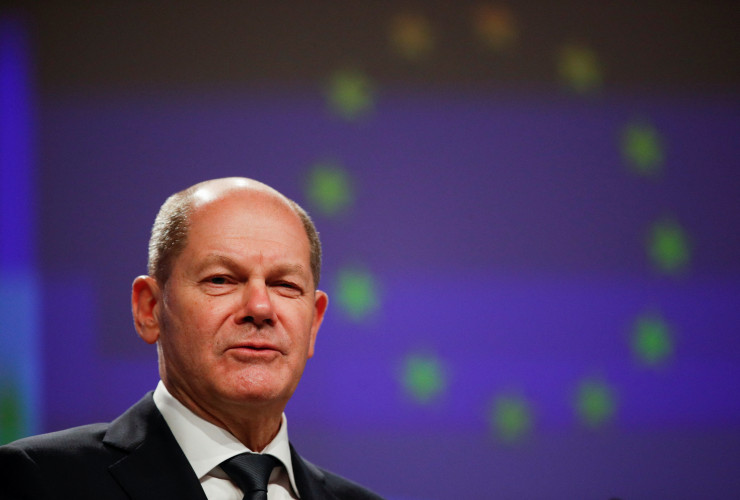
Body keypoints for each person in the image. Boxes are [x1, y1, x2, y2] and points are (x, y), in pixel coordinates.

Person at [0, 177, 384, 500]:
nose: (260, 307)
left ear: (314, 323)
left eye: (285, 285)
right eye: (221, 279)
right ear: (150, 308)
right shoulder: (37, 481)